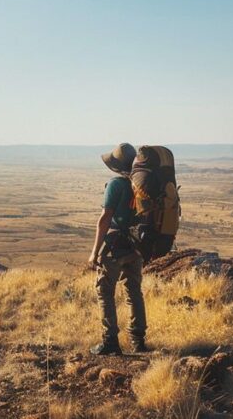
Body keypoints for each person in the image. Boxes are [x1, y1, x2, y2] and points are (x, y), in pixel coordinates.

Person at [86, 143, 148, 355]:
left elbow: (105, 219)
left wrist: (95, 252)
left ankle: (110, 341)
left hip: (115, 246)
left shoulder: (116, 185)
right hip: (136, 245)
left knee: (105, 292)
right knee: (134, 291)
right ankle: (138, 340)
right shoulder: (141, 185)